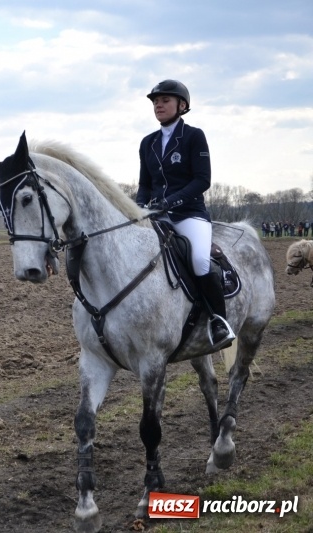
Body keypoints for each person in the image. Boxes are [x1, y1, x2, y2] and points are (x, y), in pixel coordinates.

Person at [136, 79, 235, 351]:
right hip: (157, 216)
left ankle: (218, 321)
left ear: (182, 105)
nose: (158, 105)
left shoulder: (193, 136)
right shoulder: (147, 143)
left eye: (165, 100)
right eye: (156, 101)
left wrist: (170, 201)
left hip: (189, 214)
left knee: (200, 260)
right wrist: (139, 207)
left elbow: (202, 180)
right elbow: (144, 184)